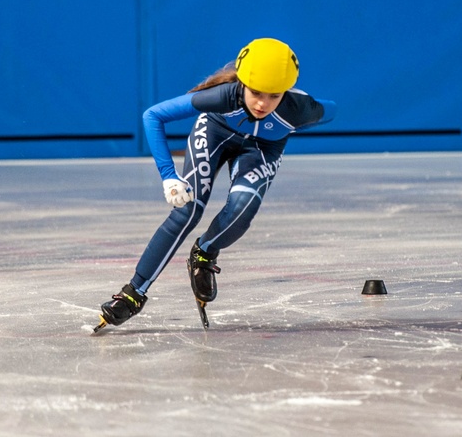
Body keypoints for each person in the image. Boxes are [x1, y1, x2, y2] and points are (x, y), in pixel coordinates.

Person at [94, 38, 336, 331]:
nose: (262, 103)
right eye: (256, 92)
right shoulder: (223, 97)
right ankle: (134, 292)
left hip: (260, 151)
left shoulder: (300, 108)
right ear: (243, 83)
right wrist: (169, 175)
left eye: (274, 96)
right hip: (214, 134)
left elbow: (331, 109)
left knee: (243, 207)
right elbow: (153, 115)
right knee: (187, 211)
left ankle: (204, 252)